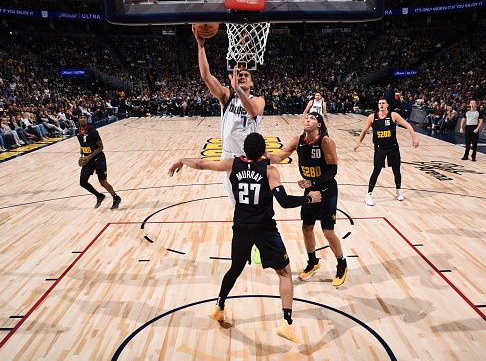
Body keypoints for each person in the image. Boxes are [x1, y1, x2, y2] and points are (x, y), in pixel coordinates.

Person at [168, 133, 321, 342]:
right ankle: (287, 322)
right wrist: (309, 199)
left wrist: (182, 160)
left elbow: (203, 164)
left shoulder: (232, 164)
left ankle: (219, 306)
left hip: (240, 227)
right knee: (284, 272)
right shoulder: (270, 171)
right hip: (264, 228)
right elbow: (284, 201)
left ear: (244, 150)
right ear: (262, 151)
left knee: (236, 267)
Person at [267, 112, 348, 287]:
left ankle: (342, 264)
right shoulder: (298, 140)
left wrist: (313, 181)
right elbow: (280, 156)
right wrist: (263, 154)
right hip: (310, 191)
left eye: (312, 118)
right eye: (307, 118)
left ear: (319, 124)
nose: (308, 120)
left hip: (327, 191)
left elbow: (333, 170)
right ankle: (313, 262)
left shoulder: (326, 141)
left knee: (328, 232)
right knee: (307, 228)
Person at [193, 28, 265, 202]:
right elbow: (206, 77)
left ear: (252, 81)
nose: (241, 76)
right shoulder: (227, 97)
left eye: (246, 75)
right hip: (228, 157)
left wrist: (237, 89)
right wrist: (201, 46)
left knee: (251, 204)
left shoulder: (258, 100)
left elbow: (253, 111)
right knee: (234, 204)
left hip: (250, 159)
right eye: (239, 75)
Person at [354, 97, 420, 206]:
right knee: (376, 170)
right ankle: (368, 195)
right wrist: (358, 143)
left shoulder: (393, 115)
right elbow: (364, 130)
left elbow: (408, 125)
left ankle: (398, 191)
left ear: (387, 105)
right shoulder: (372, 117)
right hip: (379, 148)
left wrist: (414, 138)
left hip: (393, 148)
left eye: (383, 103)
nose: (381, 105)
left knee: (396, 170)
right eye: (379, 103)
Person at [76, 114, 121, 209]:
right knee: (83, 182)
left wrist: (88, 157)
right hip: (88, 159)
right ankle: (99, 196)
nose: (83, 119)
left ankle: (116, 197)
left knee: (103, 182)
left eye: (84, 118)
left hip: (99, 159)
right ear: (78, 120)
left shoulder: (93, 131)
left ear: (87, 120)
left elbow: (101, 147)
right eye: (81, 118)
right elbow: (82, 145)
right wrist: (81, 156)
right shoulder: (77, 131)